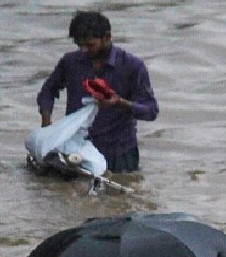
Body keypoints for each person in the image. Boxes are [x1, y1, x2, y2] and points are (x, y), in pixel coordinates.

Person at [36, 11, 158, 173]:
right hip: (76, 146)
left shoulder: (132, 67)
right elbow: (47, 91)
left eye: (90, 45)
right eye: (80, 46)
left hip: (119, 152)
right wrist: (47, 128)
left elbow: (151, 111)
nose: (84, 50)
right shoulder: (70, 62)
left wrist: (120, 102)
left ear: (107, 37)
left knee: (119, 196)